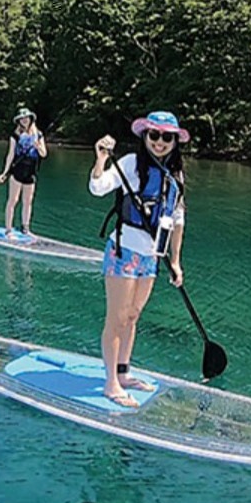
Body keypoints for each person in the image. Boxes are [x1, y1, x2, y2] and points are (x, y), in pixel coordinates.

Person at [89, 110, 189, 407]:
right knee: (117, 318)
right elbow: (97, 188)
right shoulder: (131, 164)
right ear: (145, 136)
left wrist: (176, 260)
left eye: (166, 137)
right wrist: (101, 159)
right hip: (124, 253)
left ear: (174, 141)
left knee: (133, 316)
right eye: (154, 135)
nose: (160, 142)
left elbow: (178, 218)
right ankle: (110, 385)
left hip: (151, 258)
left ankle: (123, 373)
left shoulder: (176, 175)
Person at [0, 107, 48, 238]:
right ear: (19, 121)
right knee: (13, 200)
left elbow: (44, 154)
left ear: (30, 119)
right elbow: (10, 154)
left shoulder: (39, 134)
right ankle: (8, 229)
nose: (24, 120)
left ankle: (25, 228)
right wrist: (4, 173)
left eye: (26, 118)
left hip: (31, 172)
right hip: (17, 172)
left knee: (28, 201)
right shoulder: (15, 136)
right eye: (22, 119)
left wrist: (38, 146)